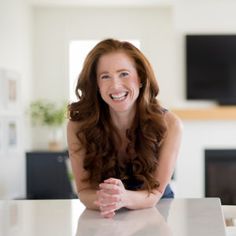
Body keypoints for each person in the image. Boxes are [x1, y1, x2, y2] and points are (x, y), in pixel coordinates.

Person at [67, 38, 182, 218]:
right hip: (104, 213)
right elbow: (84, 191)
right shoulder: (78, 126)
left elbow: (156, 194)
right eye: (105, 76)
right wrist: (109, 200)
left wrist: (124, 198)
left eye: (124, 74)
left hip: (154, 212)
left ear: (141, 78)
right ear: (96, 85)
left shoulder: (171, 124)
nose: (115, 85)